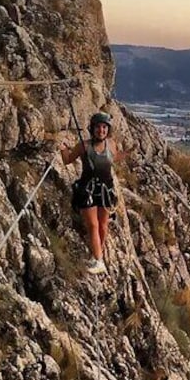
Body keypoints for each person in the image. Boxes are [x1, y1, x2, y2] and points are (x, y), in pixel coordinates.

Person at [60, 111, 129, 275]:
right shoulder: (84, 146)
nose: (101, 130)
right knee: (93, 225)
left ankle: (97, 255)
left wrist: (128, 152)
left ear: (108, 130)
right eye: (98, 127)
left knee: (103, 226)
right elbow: (68, 160)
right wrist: (63, 149)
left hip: (105, 189)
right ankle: (99, 260)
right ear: (93, 129)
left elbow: (114, 158)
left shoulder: (111, 145)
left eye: (104, 128)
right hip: (88, 189)